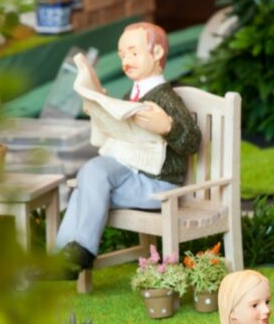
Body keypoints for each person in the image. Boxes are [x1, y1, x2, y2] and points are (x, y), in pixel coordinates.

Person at [54, 22, 201, 274]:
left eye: (133, 52)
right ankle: (61, 258)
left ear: (156, 54)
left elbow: (192, 141)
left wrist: (167, 125)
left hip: (158, 182)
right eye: (122, 55)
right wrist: (100, 112)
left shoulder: (166, 98)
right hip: (131, 171)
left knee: (91, 177)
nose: (126, 60)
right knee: (88, 183)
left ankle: (81, 252)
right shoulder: (129, 96)